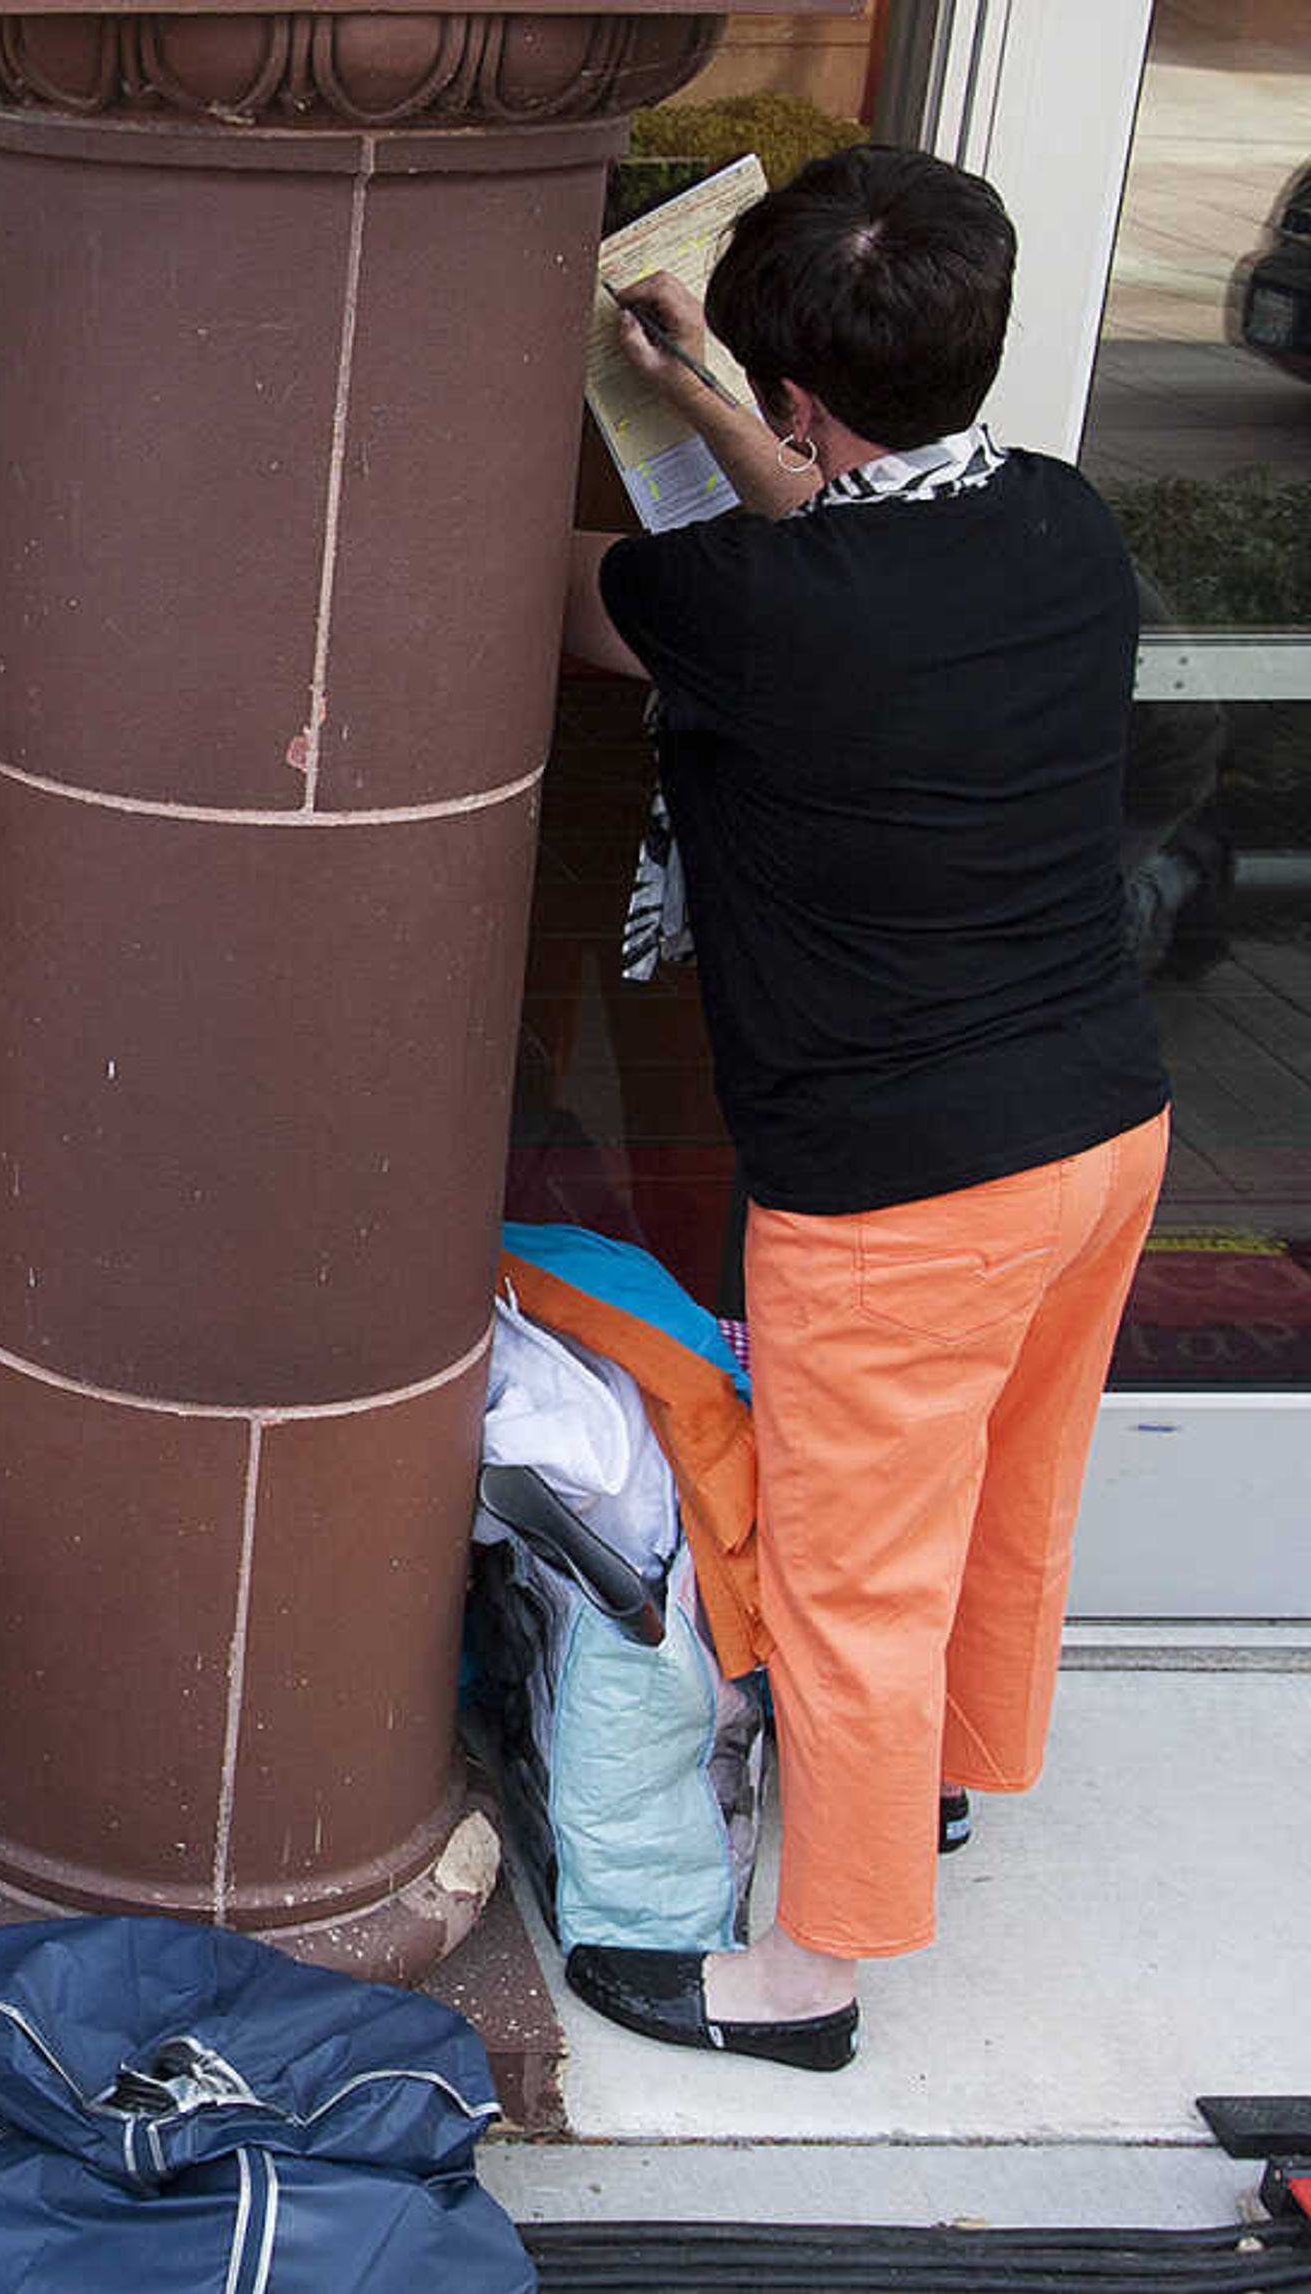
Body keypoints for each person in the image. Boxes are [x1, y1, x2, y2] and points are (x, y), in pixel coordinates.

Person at [558, 146, 1172, 2070]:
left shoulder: (752, 606)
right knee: (1006, 1499)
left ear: (809, 398)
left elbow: (623, 604)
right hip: (1101, 1131)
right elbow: (849, 535)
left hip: (905, 1186)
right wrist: (722, 406)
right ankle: (931, 1787)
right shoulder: (1062, 522)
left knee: (854, 1568)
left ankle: (809, 1970)